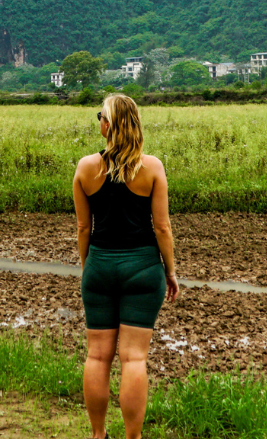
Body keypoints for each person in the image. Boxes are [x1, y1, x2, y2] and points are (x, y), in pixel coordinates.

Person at [72, 93, 177, 439]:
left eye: (100, 116)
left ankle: (98, 434)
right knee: (134, 359)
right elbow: (162, 227)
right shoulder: (152, 168)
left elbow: (84, 229)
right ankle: (133, 437)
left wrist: (89, 267)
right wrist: (171, 271)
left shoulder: (86, 168)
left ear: (109, 125)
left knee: (98, 357)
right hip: (143, 269)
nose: (98, 122)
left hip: (100, 265)